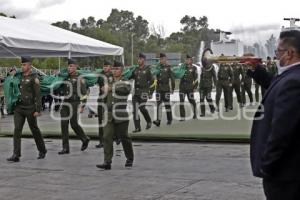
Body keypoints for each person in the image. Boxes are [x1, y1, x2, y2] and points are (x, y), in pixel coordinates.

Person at [248, 30, 300, 200]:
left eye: (278, 51)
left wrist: (267, 166)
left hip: (285, 175)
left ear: (290, 53)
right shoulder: (292, 76)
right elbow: (275, 85)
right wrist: (256, 69)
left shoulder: (294, 81)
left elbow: (281, 132)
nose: (276, 55)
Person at [7, 56, 47, 162]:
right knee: (17, 130)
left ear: (30, 65)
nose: (22, 66)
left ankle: (42, 150)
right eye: (22, 65)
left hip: (30, 108)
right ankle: (16, 154)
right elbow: (10, 83)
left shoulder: (34, 78)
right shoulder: (18, 76)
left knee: (34, 129)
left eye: (24, 65)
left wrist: (38, 110)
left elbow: (38, 95)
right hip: (19, 107)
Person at [96, 61, 134, 170]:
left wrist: (111, 88)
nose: (114, 71)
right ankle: (107, 161)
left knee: (124, 137)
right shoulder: (108, 80)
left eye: (117, 69)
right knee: (107, 136)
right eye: (113, 69)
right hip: (108, 114)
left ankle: (130, 157)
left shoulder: (125, 81)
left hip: (120, 113)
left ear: (122, 70)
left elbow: (126, 89)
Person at [58, 58, 90, 155]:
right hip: (65, 102)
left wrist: (82, 105)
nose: (69, 68)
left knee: (74, 124)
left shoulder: (80, 78)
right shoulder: (65, 78)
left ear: (76, 67)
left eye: (71, 66)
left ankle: (84, 139)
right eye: (68, 66)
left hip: (74, 102)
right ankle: (65, 148)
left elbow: (84, 93)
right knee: (64, 124)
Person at [129, 53, 154, 132]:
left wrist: (150, 92)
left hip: (144, 92)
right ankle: (137, 127)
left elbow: (153, 81)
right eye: (138, 59)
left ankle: (149, 121)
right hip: (136, 93)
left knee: (142, 108)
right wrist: (129, 71)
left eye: (140, 59)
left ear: (144, 60)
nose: (138, 60)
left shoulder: (147, 69)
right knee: (135, 110)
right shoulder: (135, 69)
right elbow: (129, 77)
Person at [153, 53, 175, 126]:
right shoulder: (157, 67)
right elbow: (154, 76)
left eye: (162, 59)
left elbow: (172, 79)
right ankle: (158, 120)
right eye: (160, 59)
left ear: (165, 59)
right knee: (158, 105)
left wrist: (173, 88)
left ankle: (169, 119)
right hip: (159, 89)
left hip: (166, 89)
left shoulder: (169, 67)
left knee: (167, 104)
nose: (161, 60)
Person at [96, 60, 113, 148]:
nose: (105, 68)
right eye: (104, 66)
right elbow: (99, 84)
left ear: (110, 67)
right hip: (101, 99)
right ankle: (101, 141)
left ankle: (115, 137)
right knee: (100, 121)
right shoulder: (101, 75)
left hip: (110, 100)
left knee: (111, 120)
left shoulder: (113, 75)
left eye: (107, 66)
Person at [179, 55, 197, 120]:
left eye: (188, 59)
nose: (187, 61)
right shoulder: (182, 67)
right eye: (186, 59)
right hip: (182, 87)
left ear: (191, 60)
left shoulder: (194, 68)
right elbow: (178, 74)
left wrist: (195, 87)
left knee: (191, 101)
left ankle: (195, 113)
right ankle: (182, 117)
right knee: (181, 102)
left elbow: (196, 78)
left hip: (190, 88)